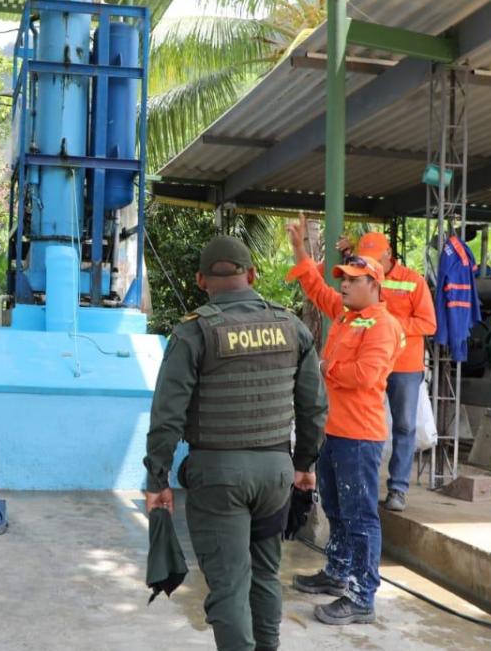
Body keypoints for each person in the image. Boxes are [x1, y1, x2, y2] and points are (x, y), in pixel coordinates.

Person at [144, 235, 328, 651]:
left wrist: (157, 480)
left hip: (219, 478)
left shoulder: (195, 332)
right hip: (276, 475)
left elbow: (167, 416)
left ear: (200, 279)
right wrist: (304, 465)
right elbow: (315, 405)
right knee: (265, 574)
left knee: (228, 584)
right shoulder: (291, 326)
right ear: (252, 274)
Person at [285, 214, 404, 626]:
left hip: (360, 437)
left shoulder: (382, 325)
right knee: (335, 507)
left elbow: (367, 375)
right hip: (335, 433)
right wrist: (300, 249)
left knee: (360, 516)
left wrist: (324, 366)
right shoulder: (348, 315)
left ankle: (362, 594)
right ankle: (336, 573)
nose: (344, 285)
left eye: (353, 280)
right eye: (345, 280)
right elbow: (316, 288)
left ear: (374, 283)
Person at [340, 233, 436, 511]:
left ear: (388, 254)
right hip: (370, 364)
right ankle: (362, 485)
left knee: (404, 426)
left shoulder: (413, 281)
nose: (370, 264)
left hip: (404, 367)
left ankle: (398, 489)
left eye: (374, 258)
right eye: (364, 259)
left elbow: (428, 324)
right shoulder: (364, 277)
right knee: (363, 421)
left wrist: (390, 325)